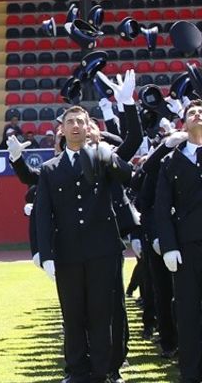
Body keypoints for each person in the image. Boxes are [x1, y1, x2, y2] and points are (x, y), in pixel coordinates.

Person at [35, 106, 133, 383]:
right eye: (70, 122)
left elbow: (128, 175)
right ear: (62, 130)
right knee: (73, 314)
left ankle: (104, 371)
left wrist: (103, 150)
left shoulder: (101, 157)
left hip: (103, 250)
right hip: (68, 253)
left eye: (81, 121)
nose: (76, 126)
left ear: (88, 127)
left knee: (103, 313)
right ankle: (76, 370)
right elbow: (43, 213)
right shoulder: (49, 169)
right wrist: (46, 253)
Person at [153, 100, 202, 383]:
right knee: (187, 310)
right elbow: (162, 207)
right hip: (186, 247)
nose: (197, 115)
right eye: (191, 113)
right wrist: (169, 245)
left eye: (200, 112)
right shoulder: (171, 161)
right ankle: (191, 371)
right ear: (184, 123)